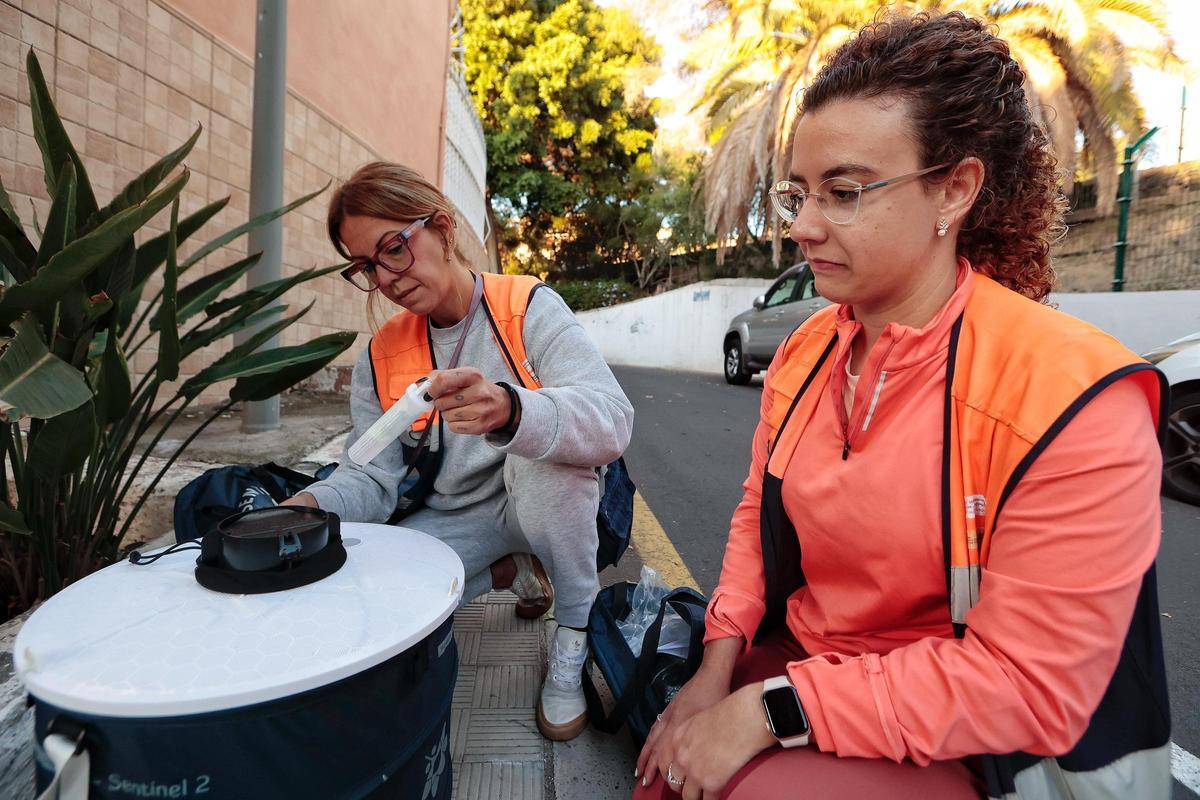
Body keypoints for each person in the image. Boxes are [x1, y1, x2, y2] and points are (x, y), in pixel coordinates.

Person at [634, 11, 1170, 799]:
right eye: (798, 194)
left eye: (844, 192)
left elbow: (1025, 684)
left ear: (954, 189)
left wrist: (766, 711)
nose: (805, 228)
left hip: (968, 733)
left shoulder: (1072, 396)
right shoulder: (805, 351)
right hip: (800, 664)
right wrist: (713, 674)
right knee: (663, 775)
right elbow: (756, 519)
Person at [283, 161, 634, 742]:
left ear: (442, 228)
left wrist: (512, 408)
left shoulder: (527, 306)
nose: (388, 278)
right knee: (382, 606)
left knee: (547, 459)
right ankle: (509, 569)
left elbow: (613, 418)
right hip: (456, 516)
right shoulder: (382, 354)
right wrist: (310, 505)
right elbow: (370, 477)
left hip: (545, 502)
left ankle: (573, 629)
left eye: (393, 248)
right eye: (367, 266)